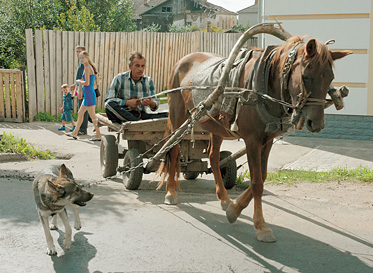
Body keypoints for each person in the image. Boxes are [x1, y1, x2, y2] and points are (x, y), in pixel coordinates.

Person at [105, 51, 168, 123]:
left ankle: (137, 122)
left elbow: (155, 105)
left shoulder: (148, 81)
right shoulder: (119, 78)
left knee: (168, 115)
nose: (140, 69)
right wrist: (126, 102)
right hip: (122, 113)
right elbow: (109, 100)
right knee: (109, 105)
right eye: (137, 66)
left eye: (142, 66)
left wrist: (150, 103)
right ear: (130, 67)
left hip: (140, 114)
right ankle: (137, 123)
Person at [65, 51, 102, 141]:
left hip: (89, 95)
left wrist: (78, 82)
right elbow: (85, 79)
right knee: (80, 113)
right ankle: (75, 133)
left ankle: (99, 135)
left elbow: (87, 83)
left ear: (87, 58)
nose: (81, 59)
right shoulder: (88, 67)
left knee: (93, 117)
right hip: (88, 95)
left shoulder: (87, 68)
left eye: (83, 58)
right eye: (80, 58)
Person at [75, 45, 89, 135]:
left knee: (82, 111)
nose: (78, 53)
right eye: (76, 51)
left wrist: (80, 91)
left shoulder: (85, 64)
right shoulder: (81, 63)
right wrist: (74, 85)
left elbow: (84, 79)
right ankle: (81, 128)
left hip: (84, 90)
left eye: (79, 51)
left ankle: (82, 129)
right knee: (86, 110)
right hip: (81, 88)